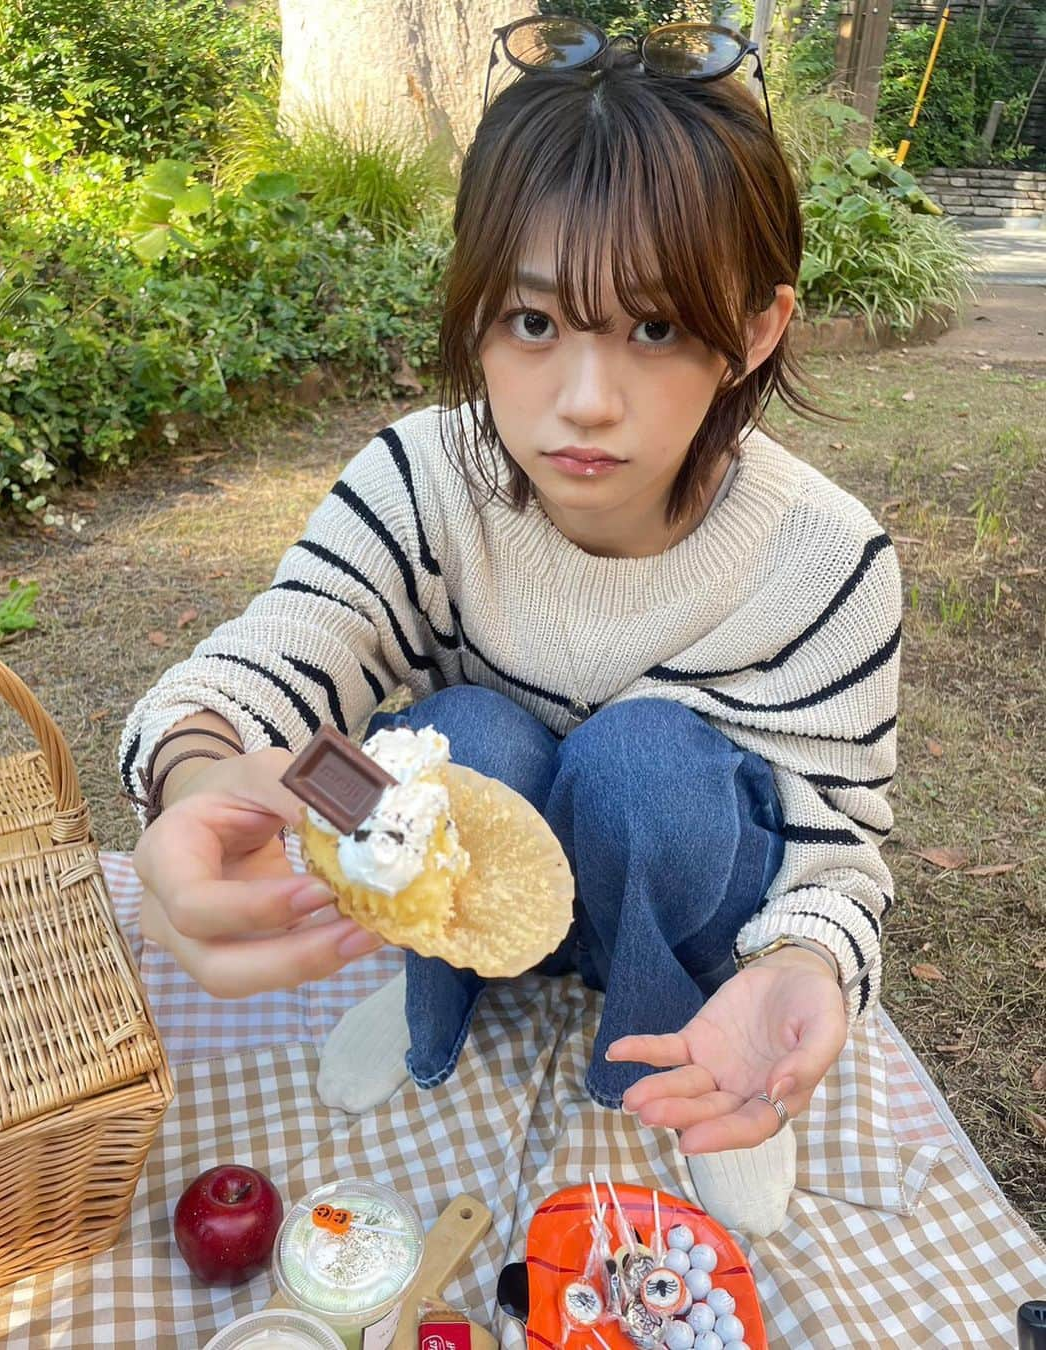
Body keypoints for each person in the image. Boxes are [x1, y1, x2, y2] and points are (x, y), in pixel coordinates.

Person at [121, 21, 900, 1236]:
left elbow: (835, 832)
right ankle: (445, 984)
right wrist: (194, 775)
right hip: (477, 871)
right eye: (533, 324)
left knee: (646, 763)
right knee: (465, 736)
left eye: (653, 329)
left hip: (677, 899)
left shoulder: (826, 558)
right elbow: (293, 641)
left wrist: (802, 964)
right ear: (475, 311)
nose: (584, 402)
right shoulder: (421, 482)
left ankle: (665, 1051)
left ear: (752, 329)